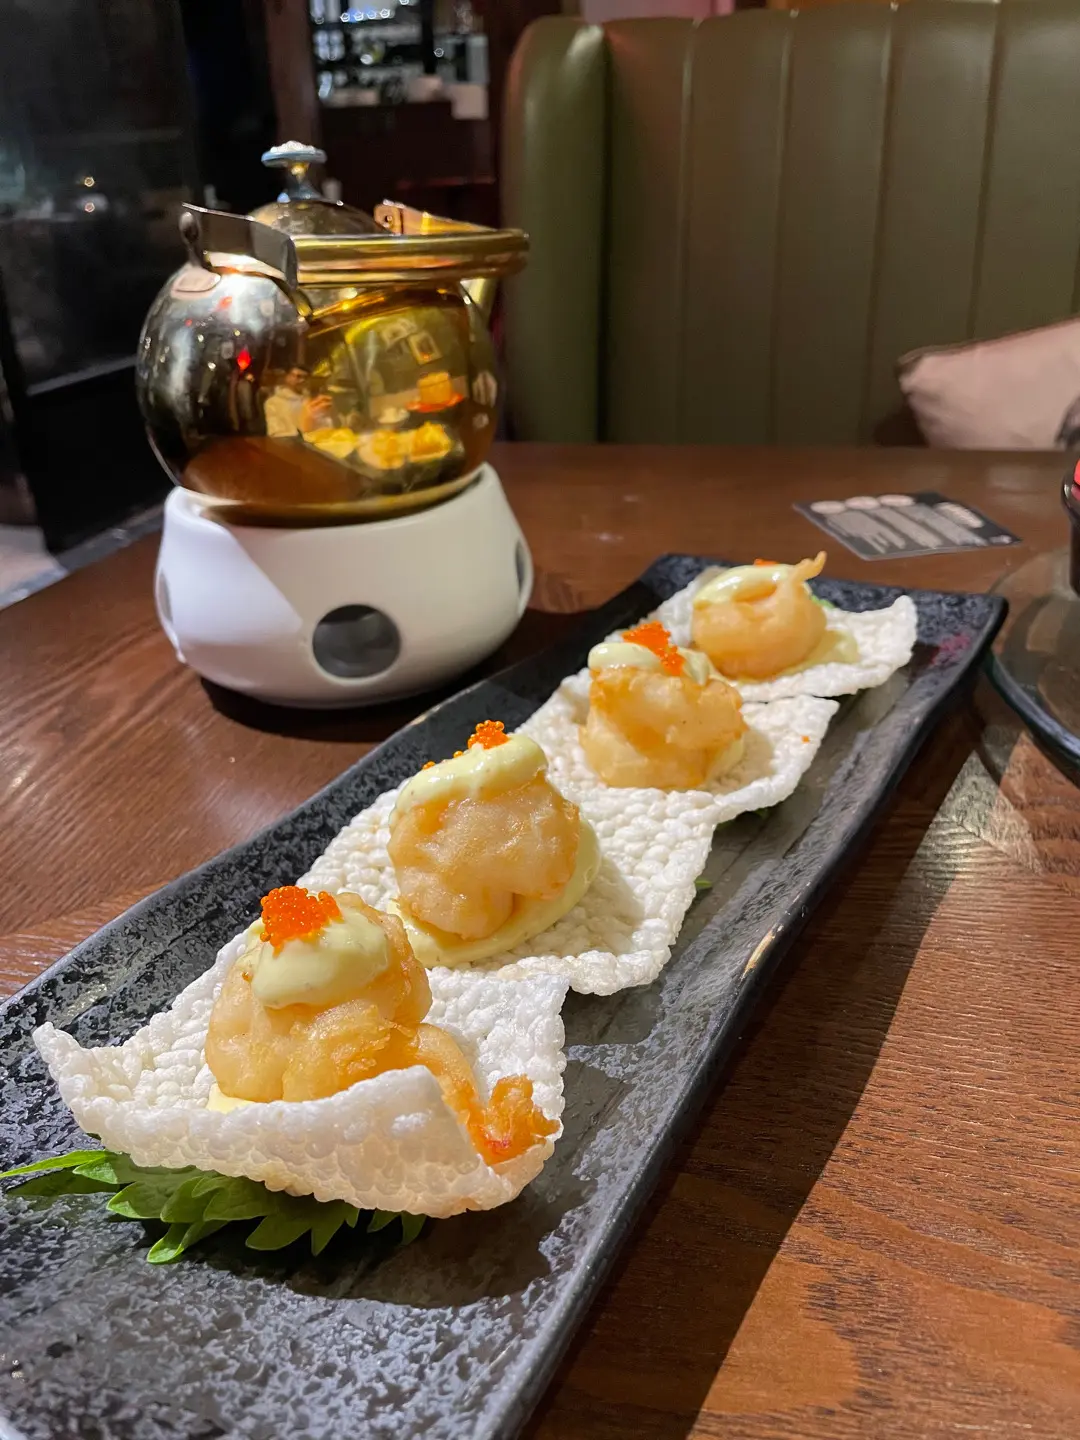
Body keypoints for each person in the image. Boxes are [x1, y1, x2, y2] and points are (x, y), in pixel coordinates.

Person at [263, 366, 332, 437]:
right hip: (289, 442)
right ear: (287, 377)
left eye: (306, 377)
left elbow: (324, 424)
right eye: (298, 376)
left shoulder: (311, 400)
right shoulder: (273, 402)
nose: (302, 380)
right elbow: (275, 432)